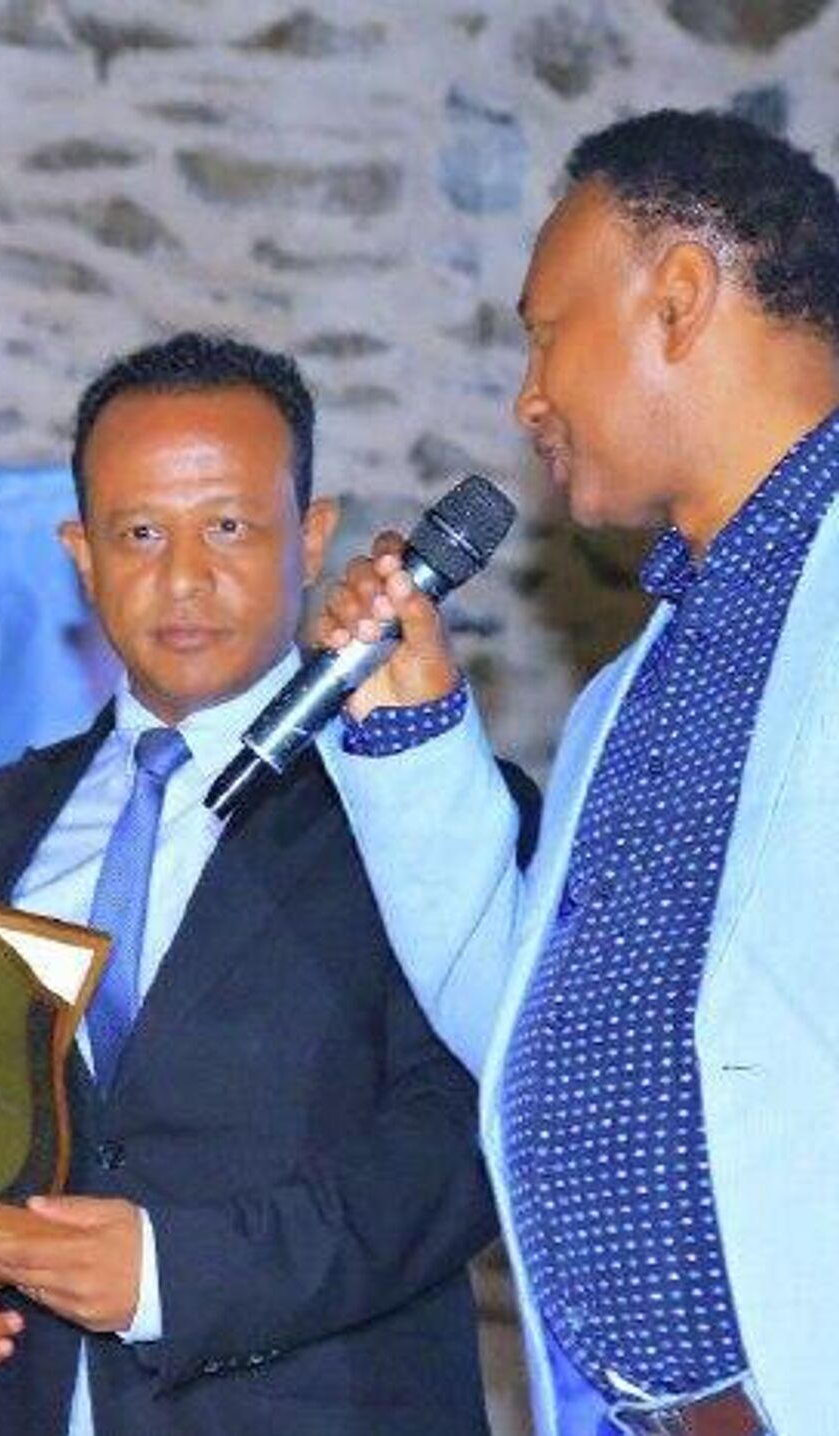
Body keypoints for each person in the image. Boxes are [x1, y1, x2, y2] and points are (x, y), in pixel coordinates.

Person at [0, 333, 535, 1434]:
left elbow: (461, 1138)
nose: (183, 577)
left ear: (312, 536)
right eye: (139, 533)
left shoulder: (427, 803)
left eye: (228, 526)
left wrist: (170, 1274)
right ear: (81, 554)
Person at [318, 109, 839, 1436]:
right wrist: (413, 738)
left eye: (548, 331)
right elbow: (528, 1030)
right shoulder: (644, 677)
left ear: (679, 295)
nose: (528, 396)